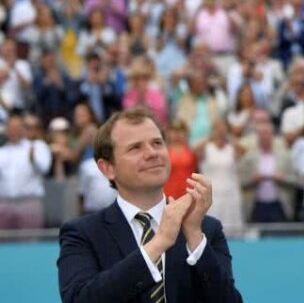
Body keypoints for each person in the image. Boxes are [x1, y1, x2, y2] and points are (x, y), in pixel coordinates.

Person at [57, 107, 242, 302]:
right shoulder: (82, 233)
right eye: (135, 147)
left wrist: (195, 238)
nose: (152, 153)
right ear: (108, 168)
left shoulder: (206, 229)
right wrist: (158, 243)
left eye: (157, 143)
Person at [0, 114, 52, 229]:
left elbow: (45, 169)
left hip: (28, 202)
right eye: (11, 128)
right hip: (3, 204)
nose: (14, 131)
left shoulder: (37, 146)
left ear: (22, 129)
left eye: (17, 127)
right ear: (7, 130)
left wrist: (34, 159)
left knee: (30, 242)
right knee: (3, 243)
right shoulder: (1, 152)